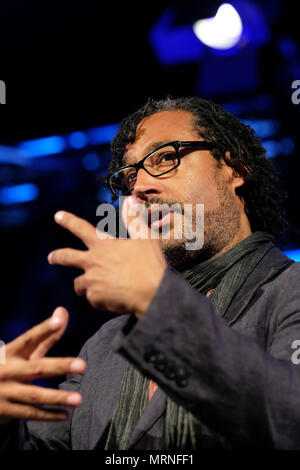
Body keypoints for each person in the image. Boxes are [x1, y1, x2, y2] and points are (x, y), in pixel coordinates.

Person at [1, 96, 300, 450]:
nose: (140, 187)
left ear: (234, 168)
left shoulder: (289, 290)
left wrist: (158, 306)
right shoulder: (103, 346)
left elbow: (290, 417)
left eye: (167, 157)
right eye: (129, 177)